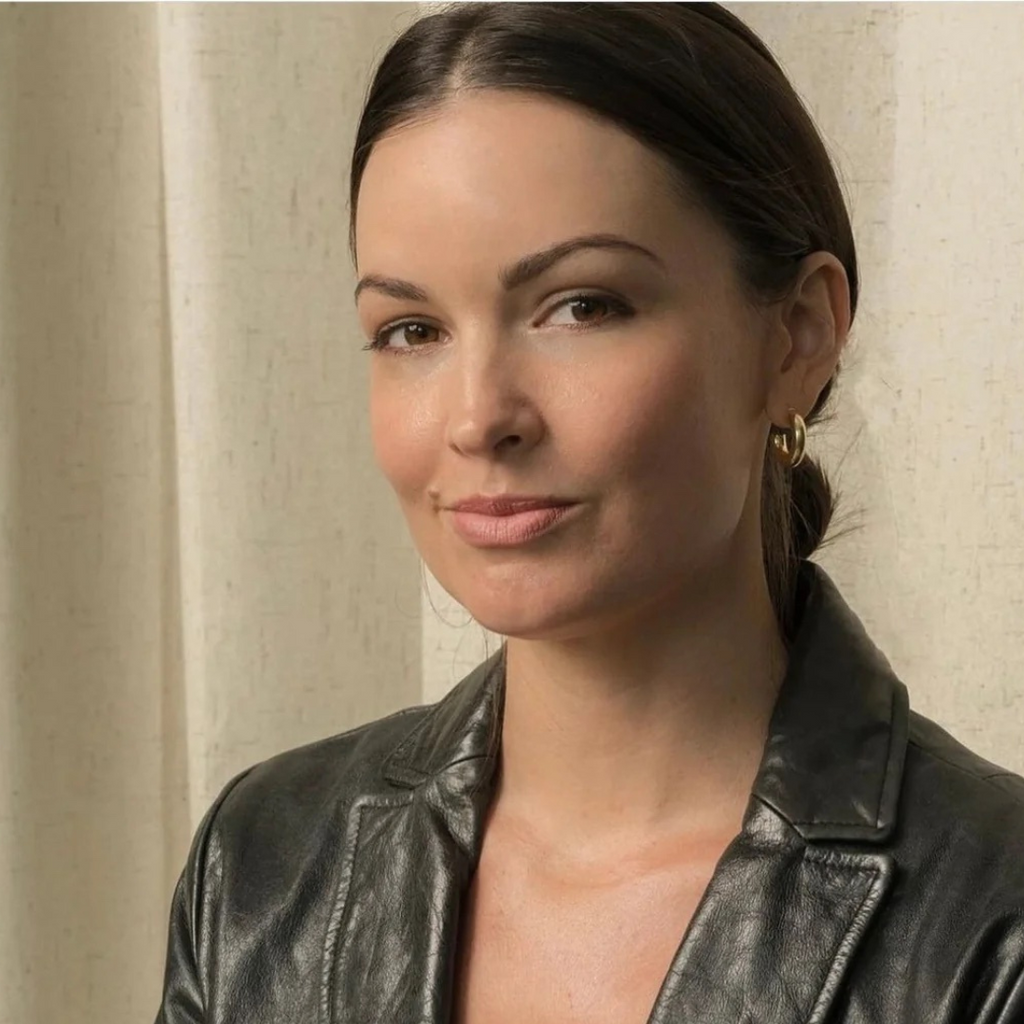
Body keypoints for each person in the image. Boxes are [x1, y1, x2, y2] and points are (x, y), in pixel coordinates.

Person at [154, 3, 1024, 1022]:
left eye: (581, 305)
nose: (479, 417)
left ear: (795, 337)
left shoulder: (990, 925)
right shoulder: (261, 867)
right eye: (410, 329)